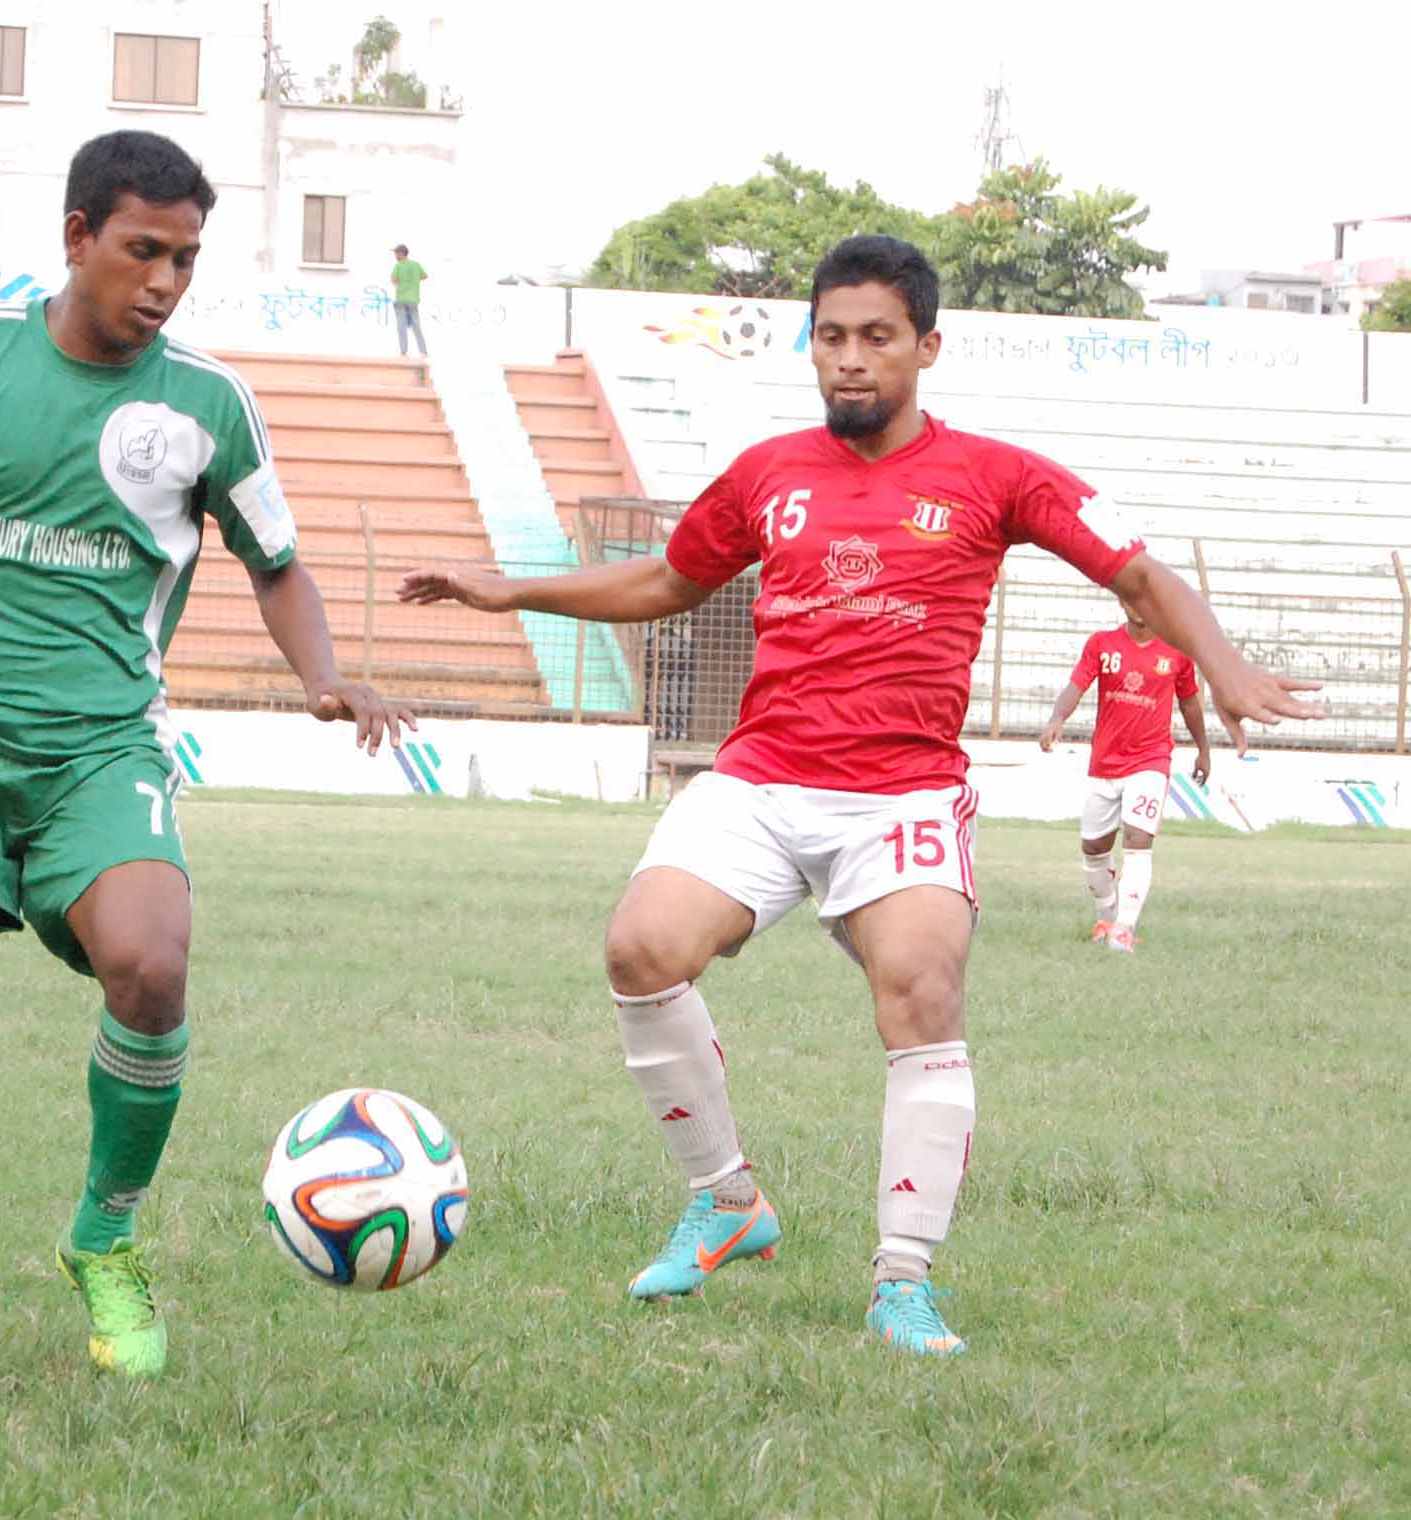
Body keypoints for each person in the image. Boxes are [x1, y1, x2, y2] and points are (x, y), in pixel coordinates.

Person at [399, 235, 1319, 1356]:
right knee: (640, 948)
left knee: (920, 986)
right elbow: (667, 578)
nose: (848, 359)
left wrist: (1221, 665)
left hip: (901, 792)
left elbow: (1137, 573)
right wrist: (513, 591)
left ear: (925, 346)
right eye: (830, 336)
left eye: (875, 337)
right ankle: (728, 1201)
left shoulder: (996, 474)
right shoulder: (767, 473)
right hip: (761, 774)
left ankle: (901, 1278)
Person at [0, 129, 413, 1389]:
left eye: (186, 257)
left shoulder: (206, 404)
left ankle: (103, 1236)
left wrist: (322, 674)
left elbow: (276, 563)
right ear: (76, 238)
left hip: (99, 750)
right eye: (142, 249)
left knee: (153, 966)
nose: (165, 279)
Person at [1039, 594, 1211, 953]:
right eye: (1131, 598)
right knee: (1094, 847)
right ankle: (1107, 918)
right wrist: (1058, 719)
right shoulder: (1102, 645)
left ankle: (1124, 931)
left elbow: (1190, 701)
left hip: (1150, 762)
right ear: (1122, 603)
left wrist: (1203, 749)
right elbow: (1077, 685)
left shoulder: (1176, 651)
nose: (1139, 605)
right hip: (1104, 765)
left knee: (1137, 839)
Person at [390, 242, 428, 356]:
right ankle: (423, 351)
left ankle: (403, 352)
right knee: (416, 325)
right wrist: (414, 281)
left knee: (401, 326)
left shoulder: (398, 265)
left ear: (402, 254)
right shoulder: (416, 265)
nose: (395, 256)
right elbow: (425, 276)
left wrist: (401, 283)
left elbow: (393, 280)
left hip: (401, 299)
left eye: (396, 253)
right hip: (413, 299)